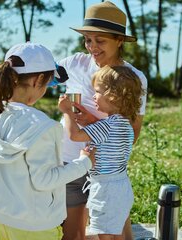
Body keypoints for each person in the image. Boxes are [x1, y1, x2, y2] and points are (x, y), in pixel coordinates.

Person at [0, 42, 95, 240]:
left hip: (1, 219)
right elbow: (45, 180)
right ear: (38, 80)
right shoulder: (43, 126)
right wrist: (85, 162)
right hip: (37, 225)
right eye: (48, 83)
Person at [57, 1, 148, 239]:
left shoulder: (134, 79)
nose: (92, 47)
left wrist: (92, 122)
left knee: (116, 234)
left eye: (100, 40)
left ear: (119, 40)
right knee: (73, 237)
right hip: (71, 164)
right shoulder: (72, 64)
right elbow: (38, 77)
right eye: (88, 39)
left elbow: (132, 133)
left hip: (109, 174)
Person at [59, 65, 144, 240]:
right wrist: (91, 123)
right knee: (116, 229)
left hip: (104, 189)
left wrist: (67, 111)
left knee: (105, 234)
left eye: (97, 91)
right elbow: (107, 140)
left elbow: (74, 135)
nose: (93, 96)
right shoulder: (125, 126)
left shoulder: (105, 126)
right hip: (121, 185)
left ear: (112, 95)